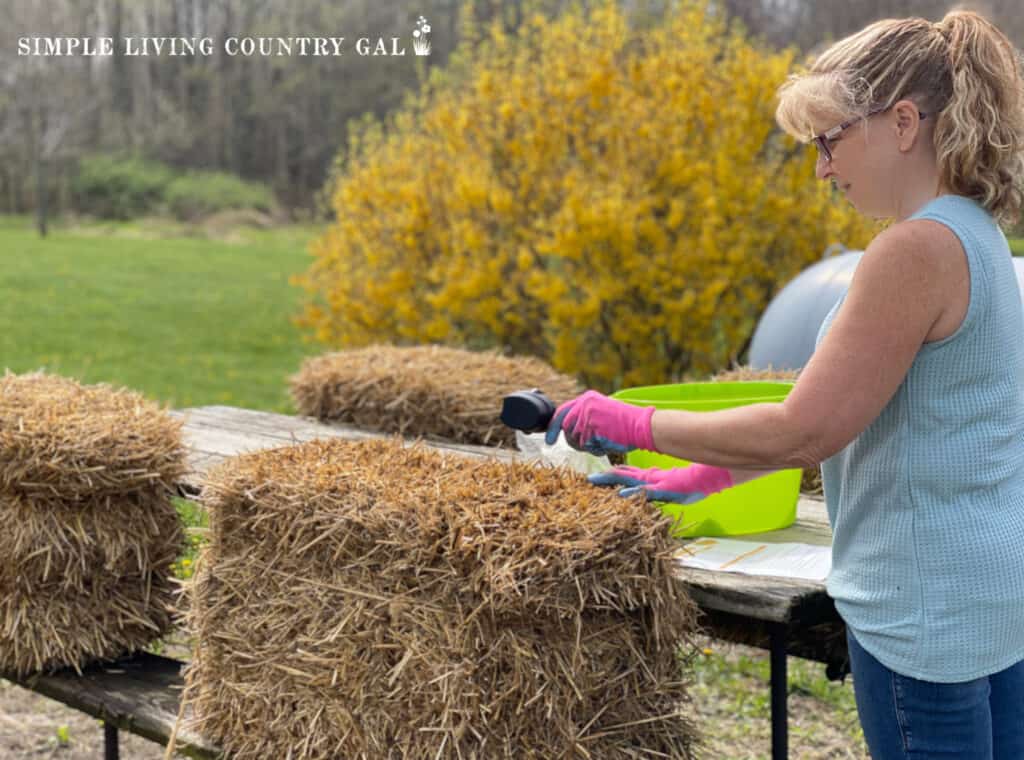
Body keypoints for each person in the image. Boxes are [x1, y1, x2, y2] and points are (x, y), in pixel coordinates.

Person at [545, 10, 1024, 759]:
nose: (823, 168)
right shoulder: (976, 234)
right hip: (987, 603)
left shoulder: (911, 253)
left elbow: (808, 428)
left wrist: (631, 421)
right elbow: (860, 411)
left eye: (830, 140)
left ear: (903, 122)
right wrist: (705, 477)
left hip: (923, 617)